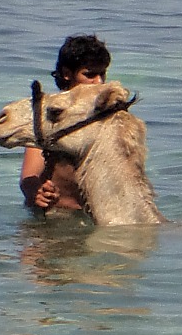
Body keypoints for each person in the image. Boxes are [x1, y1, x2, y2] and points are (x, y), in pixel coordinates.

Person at [19, 34, 112, 216]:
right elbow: (28, 176)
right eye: (89, 75)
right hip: (52, 216)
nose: (99, 82)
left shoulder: (106, 117)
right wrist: (36, 192)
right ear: (67, 74)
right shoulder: (49, 117)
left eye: (102, 74)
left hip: (92, 218)